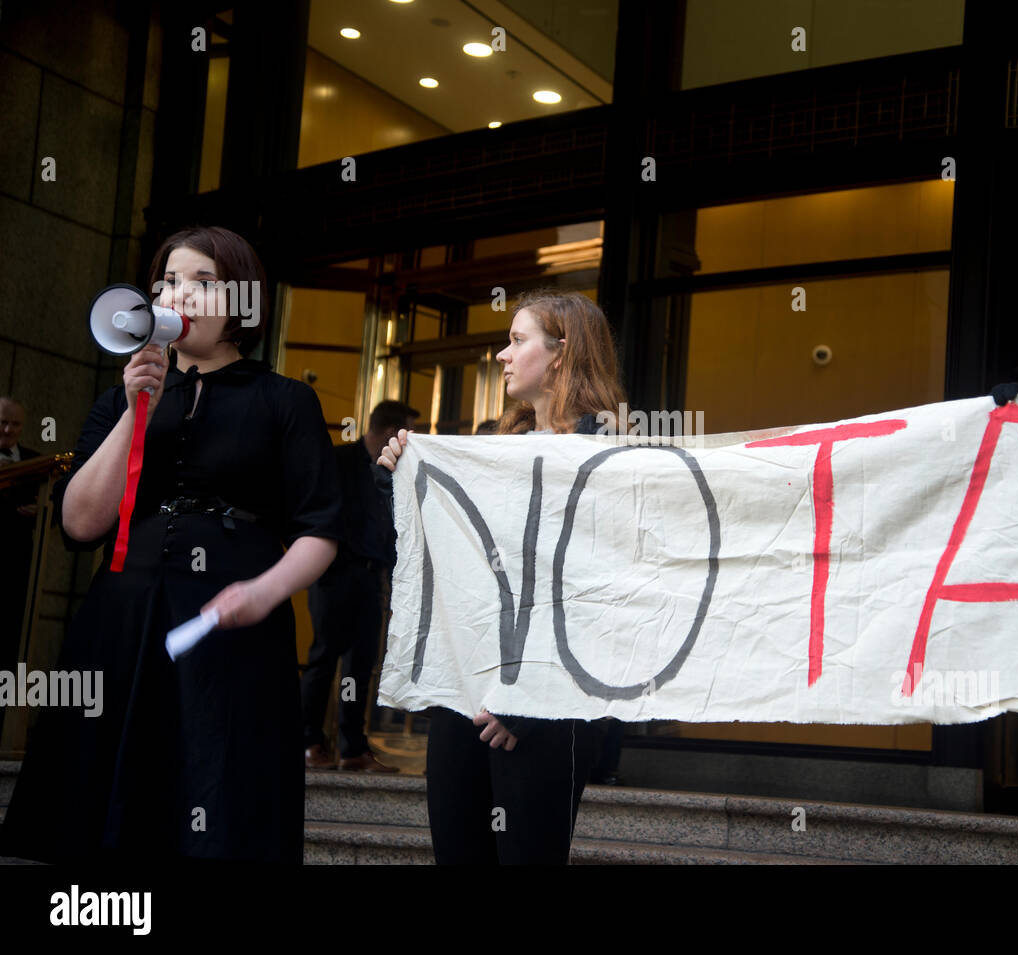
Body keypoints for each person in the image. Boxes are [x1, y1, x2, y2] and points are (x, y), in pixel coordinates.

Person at [0, 226, 342, 863]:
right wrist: (138, 409)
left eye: (202, 282)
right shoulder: (122, 395)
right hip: (126, 617)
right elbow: (80, 523)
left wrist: (264, 593)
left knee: (217, 795)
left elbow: (319, 529)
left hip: (231, 629)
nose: (178, 294)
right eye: (167, 282)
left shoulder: (285, 401)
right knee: (107, 804)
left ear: (242, 301)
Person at [378, 288, 625, 864]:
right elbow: (449, 568)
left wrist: (528, 700)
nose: (501, 355)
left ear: (560, 352)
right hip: (463, 693)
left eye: (517, 341)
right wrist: (394, 481)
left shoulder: (608, 454)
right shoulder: (491, 449)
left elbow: (597, 590)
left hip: (545, 706)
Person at [302, 399, 418, 772]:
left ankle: (353, 748)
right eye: (406, 433)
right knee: (323, 658)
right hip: (334, 574)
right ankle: (309, 743)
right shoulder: (339, 461)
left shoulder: (397, 470)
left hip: (372, 576)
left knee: (360, 664)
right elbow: (315, 513)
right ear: (388, 432)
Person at [0, 396, 41, 740]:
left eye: (15, 424)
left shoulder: (35, 462)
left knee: (8, 647)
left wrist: (41, 513)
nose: (8, 430)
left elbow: (54, 507)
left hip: (16, 570)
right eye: (2, 422)